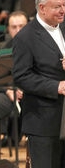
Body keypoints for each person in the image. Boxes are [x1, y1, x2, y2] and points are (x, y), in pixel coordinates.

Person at [12, 0, 65, 168]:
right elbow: (21, 76)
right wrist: (55, 86)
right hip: (42, 123)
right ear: (42, 8)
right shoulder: (25, 37)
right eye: (56, 6)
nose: (62, 10)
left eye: (64, 5)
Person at [0, 10, 28, 147]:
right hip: (8, 93)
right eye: (14, 27)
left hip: (30, 91)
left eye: (21, 26)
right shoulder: (3, 50)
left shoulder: (37, 46)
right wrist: (8, 90)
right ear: (8, 30)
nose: (18, 30)